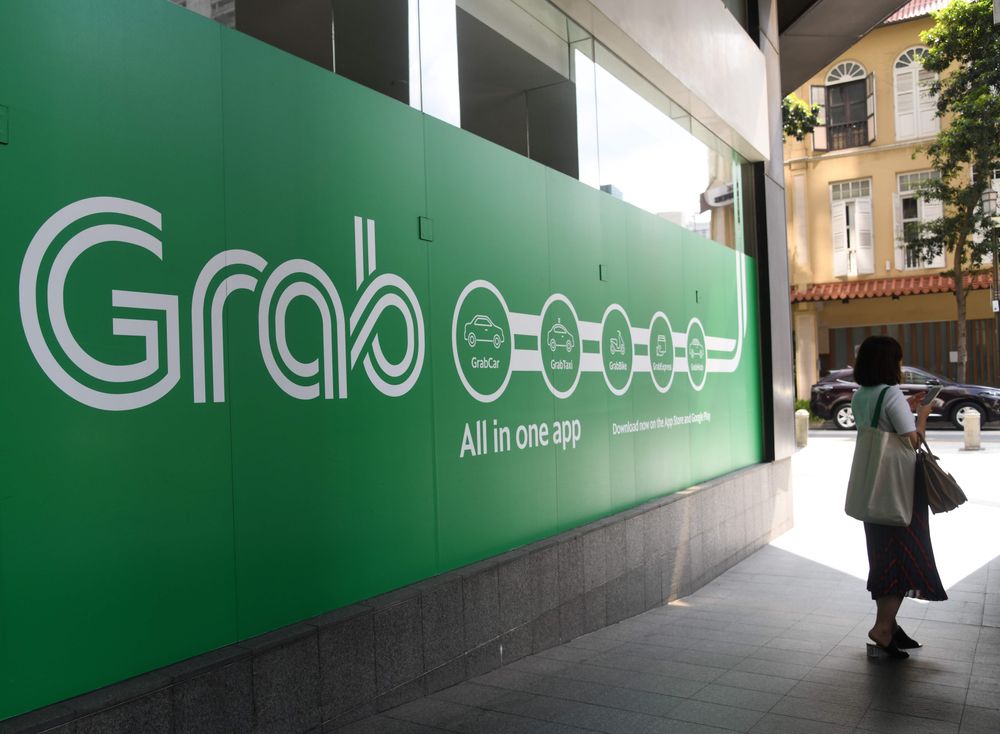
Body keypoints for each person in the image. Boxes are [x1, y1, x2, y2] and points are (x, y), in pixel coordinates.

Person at [851, 335, 946, 660]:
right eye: (899, 360)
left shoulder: (861, 395)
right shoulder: (890, 392)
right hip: (899, 490)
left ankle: (889, 625)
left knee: (883, 557)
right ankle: (882, 627)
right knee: (903, 558)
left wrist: (906, 408)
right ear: (890, 363)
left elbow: (882, 427)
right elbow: (912, 441)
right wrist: (922, 412)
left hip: (874, 491)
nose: (901, 366)